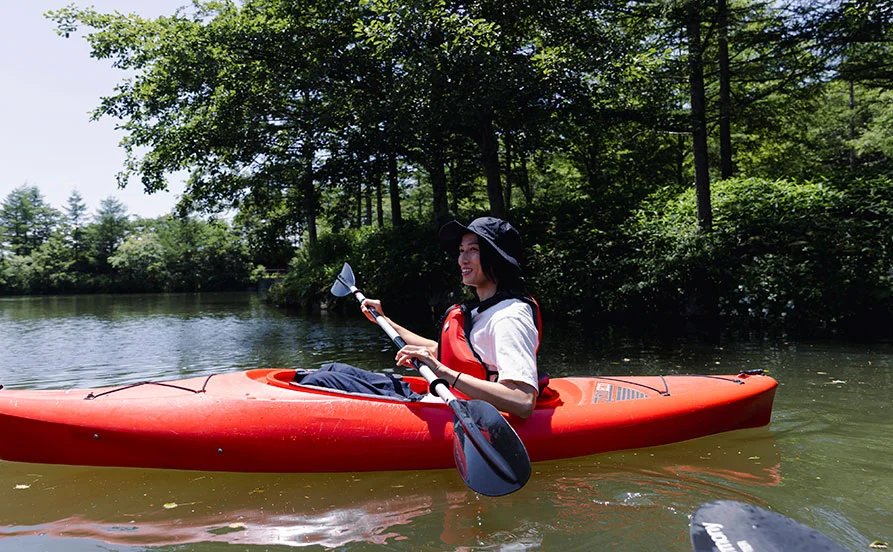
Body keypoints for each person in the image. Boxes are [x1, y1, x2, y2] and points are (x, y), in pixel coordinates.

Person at [301, 217, 543, 419]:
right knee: (333, 369)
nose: (462, 259)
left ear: (497, 258)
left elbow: (522, 401)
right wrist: (384, 320)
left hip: (457, 410)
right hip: (442, 397)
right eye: (461, 251)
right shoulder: (483, 309)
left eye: (473, 250)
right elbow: (451, 355)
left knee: (322, 380)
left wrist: (441, 371)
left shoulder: (509, 317)